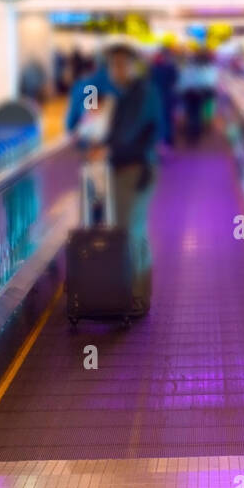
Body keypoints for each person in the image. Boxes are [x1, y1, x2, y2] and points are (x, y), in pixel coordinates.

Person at [95, 43, 161, 308]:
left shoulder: (139, 94)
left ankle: (134, 299)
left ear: (134, 66)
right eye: (112, 64)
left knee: (129, 232)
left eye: (121, 64)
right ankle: (139, 296)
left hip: (132, 170)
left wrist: (104, 145)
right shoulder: (128, 94)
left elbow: (127, 133)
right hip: (134, 168)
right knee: (137, 231)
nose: (116, 69)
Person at [149, 44, 180, 148]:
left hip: (161, 96)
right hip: (166, 96)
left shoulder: (155, 67)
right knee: (166, 118)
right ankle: (167, 139)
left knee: (163, 118)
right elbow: (175, 81)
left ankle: (164, 139)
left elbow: (151, 81)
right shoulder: (170, 67)